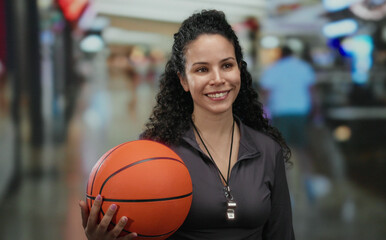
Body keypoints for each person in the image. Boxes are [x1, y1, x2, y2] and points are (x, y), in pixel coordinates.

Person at [80, 10, 295, 240]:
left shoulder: (267, 150)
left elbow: (281, 234)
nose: (218, 79)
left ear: (239, 70)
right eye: (202, 69)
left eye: (227, 65)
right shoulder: (155, 150)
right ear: (183, 79)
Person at [260, 45, 316, 203]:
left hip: (281, 114)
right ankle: (308, 184)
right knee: (303, 149)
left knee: (283, 153)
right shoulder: (304, 68)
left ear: (280, 54)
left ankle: (287, 192)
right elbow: (312, 91)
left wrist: (262, 113)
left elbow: (266, 94)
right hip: (301, 113)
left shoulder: (273, 69)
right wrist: (317, 111)